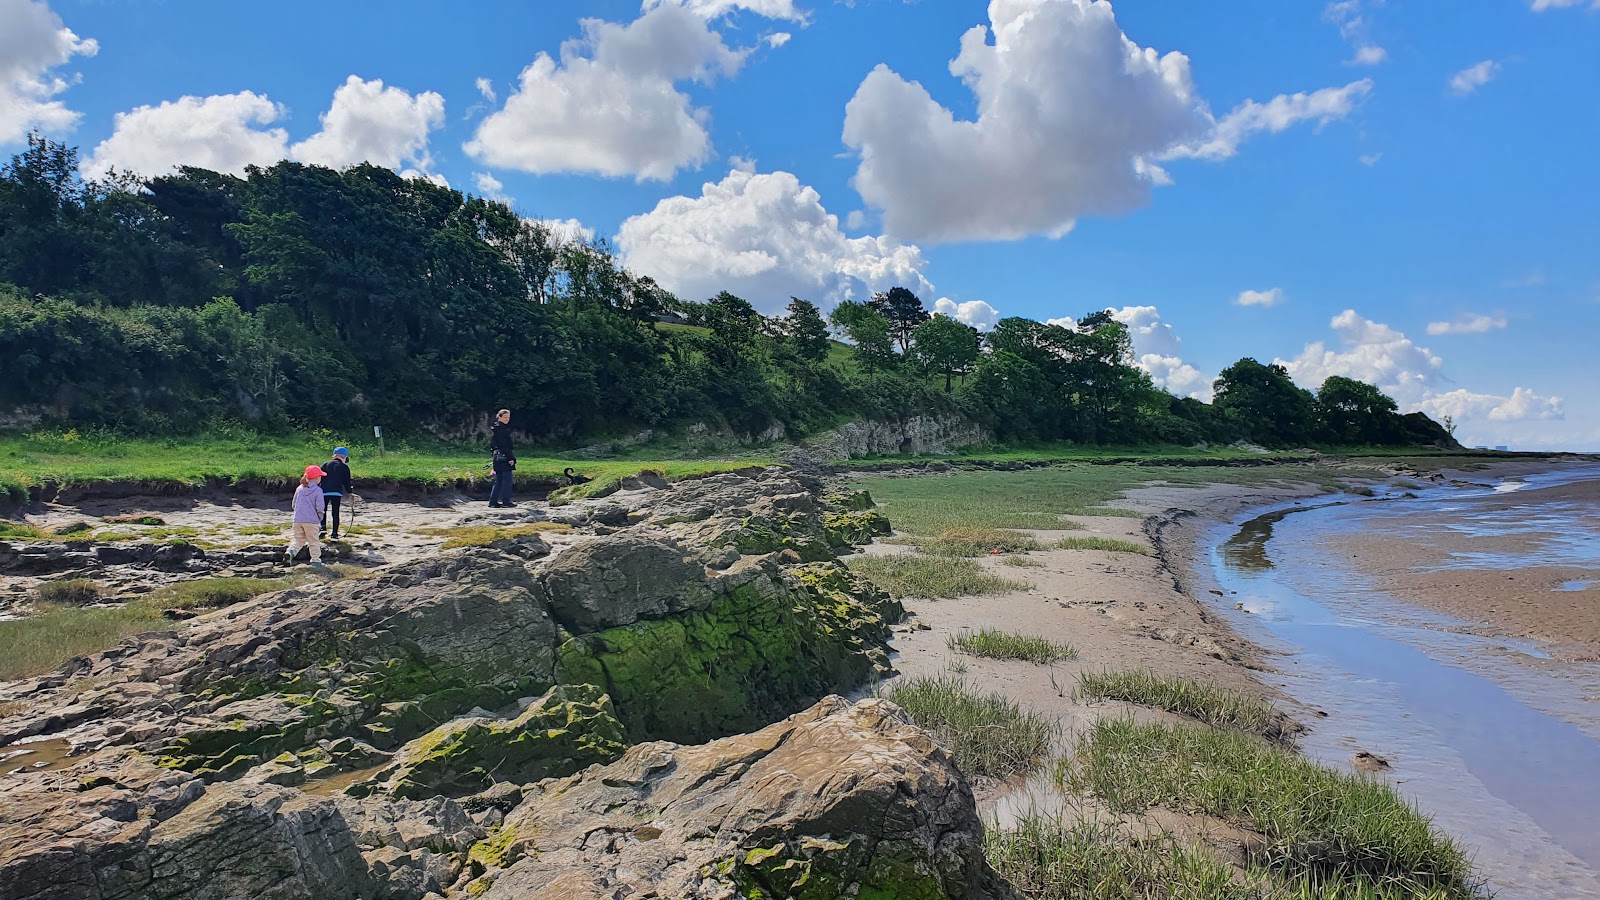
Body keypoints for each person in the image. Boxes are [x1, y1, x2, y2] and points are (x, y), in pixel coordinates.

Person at [287, 465, 327, 566]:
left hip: (297, 519)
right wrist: (319, 517)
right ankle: (315, 561)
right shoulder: (318, 490)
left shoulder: (299, 489)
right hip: (311, 521)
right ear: (317, 478)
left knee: (299, 539)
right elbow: (320, 507)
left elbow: (293, 504)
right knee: (313, 541)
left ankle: (290, 552)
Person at [320, 447, 353, 539]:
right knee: (335, 512)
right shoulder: (344, 467)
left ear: (333, 456)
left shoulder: (325, 465)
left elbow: (319, 478)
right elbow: (347, 482)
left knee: (323, 511)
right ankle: (334, 534)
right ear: (345, 457)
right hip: (336, 493)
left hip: (324, 492)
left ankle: (322, 527)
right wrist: (349, 492)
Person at [488, 408, 516, 508]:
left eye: (508, 417)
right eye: (505, 417)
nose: (507, 419)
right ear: (499, 417)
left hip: (496, 455)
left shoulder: (495, 428)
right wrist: (510, 458)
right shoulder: (502, 429)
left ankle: (493, 502)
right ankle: (506, 501)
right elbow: (504, 445)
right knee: (507, 479)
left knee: (499, 480)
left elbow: (493, 445)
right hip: (503, 455)